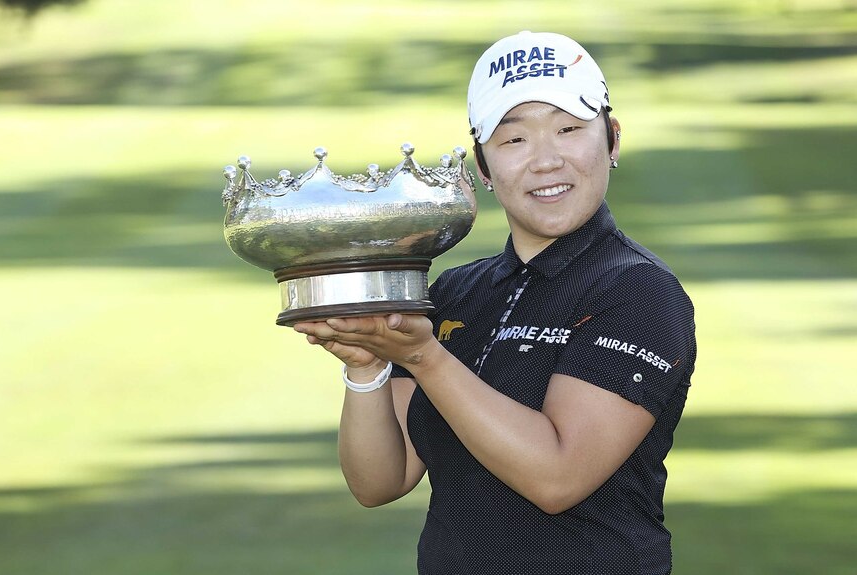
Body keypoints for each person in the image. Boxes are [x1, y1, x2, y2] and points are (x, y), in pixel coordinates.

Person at [294, 30, 697, 575]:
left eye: (569, 129)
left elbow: (556, 478)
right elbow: (379, 482)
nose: (546, 160)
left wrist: (424, 358)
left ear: (612, 139)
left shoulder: (638, 290)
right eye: (514, 141)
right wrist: (366, 368)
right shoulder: (459, 291)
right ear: (482, 168)